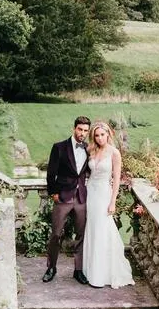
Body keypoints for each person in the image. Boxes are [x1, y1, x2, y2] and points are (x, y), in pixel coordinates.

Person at [82, 120, 134, 289]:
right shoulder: (90, 150)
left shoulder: (114, 153)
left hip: (104, 195)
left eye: (102, 135)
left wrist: (113, 201)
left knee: (103, 230)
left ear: (108, 134)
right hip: (90, 193)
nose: (99, 138)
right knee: (92, 229)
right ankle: (91, 271)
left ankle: (103, 273)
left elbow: (117, 179)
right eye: (96, 135)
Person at [43, 116, 91, 284]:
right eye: (80, 129)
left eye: (86, 131)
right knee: (56, 234)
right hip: (62, 196)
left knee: (81, 235)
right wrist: (53, 193)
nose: (82, 133)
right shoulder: (59, 147)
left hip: (81, 199)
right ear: (74, 129)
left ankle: (78, 270)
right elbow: (51, 173)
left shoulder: (89, 149)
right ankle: (51, 267)